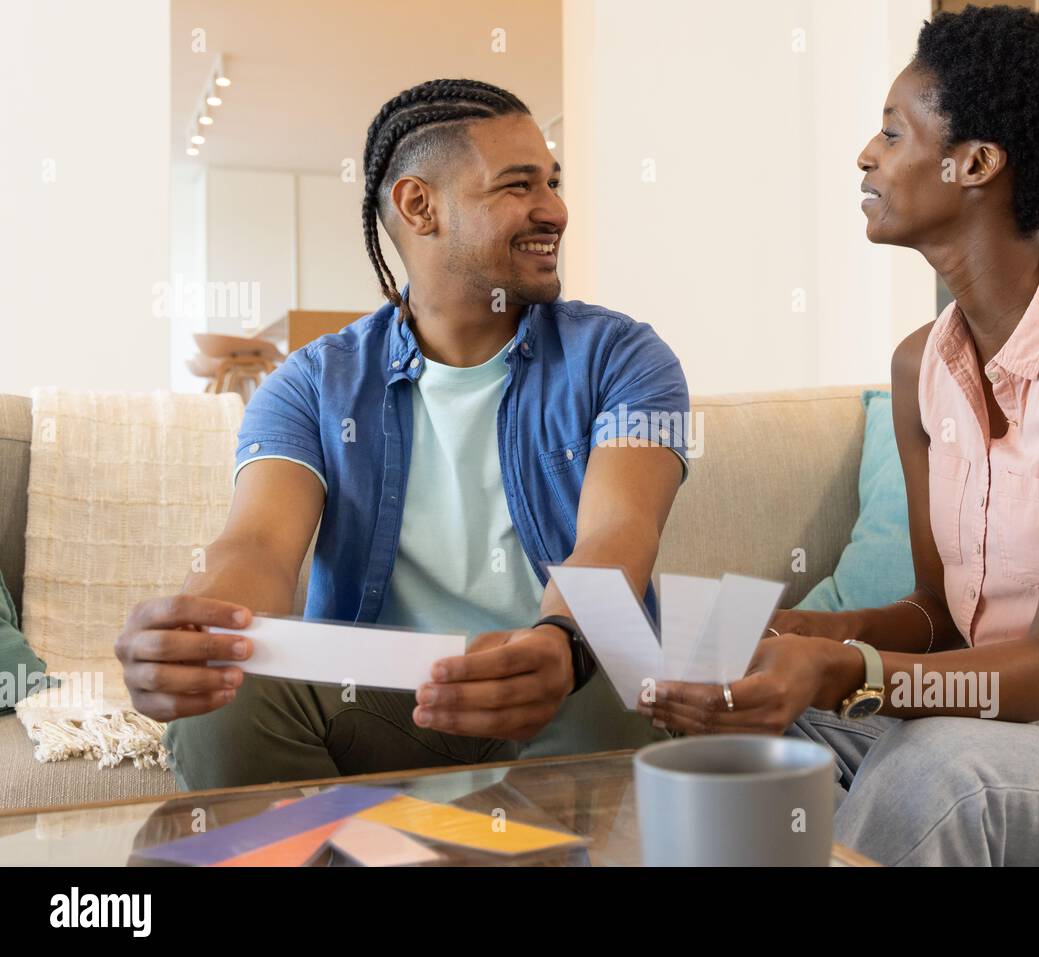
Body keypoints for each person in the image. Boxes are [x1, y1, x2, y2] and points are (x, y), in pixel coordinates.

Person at [638, 5, 1039, 865]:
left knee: (940, 768)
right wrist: (797, 639)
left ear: (975, 163)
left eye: (892, 133)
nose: (866, 156)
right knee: (753, 731)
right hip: (1003, 722)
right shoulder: (922, 368)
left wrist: (849, 673)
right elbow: (939, 617)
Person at [115, 79, 689, 788]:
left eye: (553, 182)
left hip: (565, 693)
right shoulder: (312, 382)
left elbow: (619, 532)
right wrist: (197, 637)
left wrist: (562, 644)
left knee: (616, 663)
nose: (556, 211)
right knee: (222, 702)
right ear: (420, 205)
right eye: (518, 186)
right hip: (385, 706)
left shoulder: (626, 357)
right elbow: (258, 544)